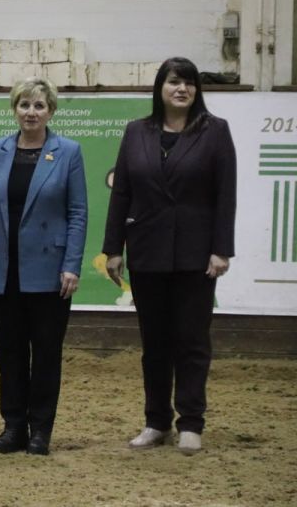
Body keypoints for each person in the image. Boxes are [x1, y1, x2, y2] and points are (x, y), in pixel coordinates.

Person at [103, 57, 236, 454]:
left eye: (189, 83)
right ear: (160, 88)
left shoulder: (215, 131)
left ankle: (191, 422)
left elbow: (225, 194)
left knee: (192, 341)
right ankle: (156, 421)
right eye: (175, 82)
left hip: (196, 255)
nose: (182, 89)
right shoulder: (136, 132)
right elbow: (122, 193)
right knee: (155, 344)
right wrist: (113, 248)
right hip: (147, 253)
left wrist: (221, 249)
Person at [0, 77, 87, 456]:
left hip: (51, 272)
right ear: (14, 109)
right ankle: (14, 427)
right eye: (24, 105)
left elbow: (78, 213)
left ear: (50, 111)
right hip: (5, 270)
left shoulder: (68, 152)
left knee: (46, 353)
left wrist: (72, 265)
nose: (31, 112)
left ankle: (41, 430)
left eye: (39, 105)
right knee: (10, 353)